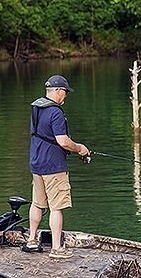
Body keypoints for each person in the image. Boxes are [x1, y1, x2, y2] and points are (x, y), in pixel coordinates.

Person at [22, 74, 90, 259]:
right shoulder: (56, 112)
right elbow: (63, 141)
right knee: (56, 207)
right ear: (58, 91)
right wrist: (80, 149)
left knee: (37, 203)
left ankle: (32, 241)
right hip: (53, 166)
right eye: (65, 92)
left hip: (36, 163)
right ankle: (57, 249)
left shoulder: (36, 107)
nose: (66, 96)